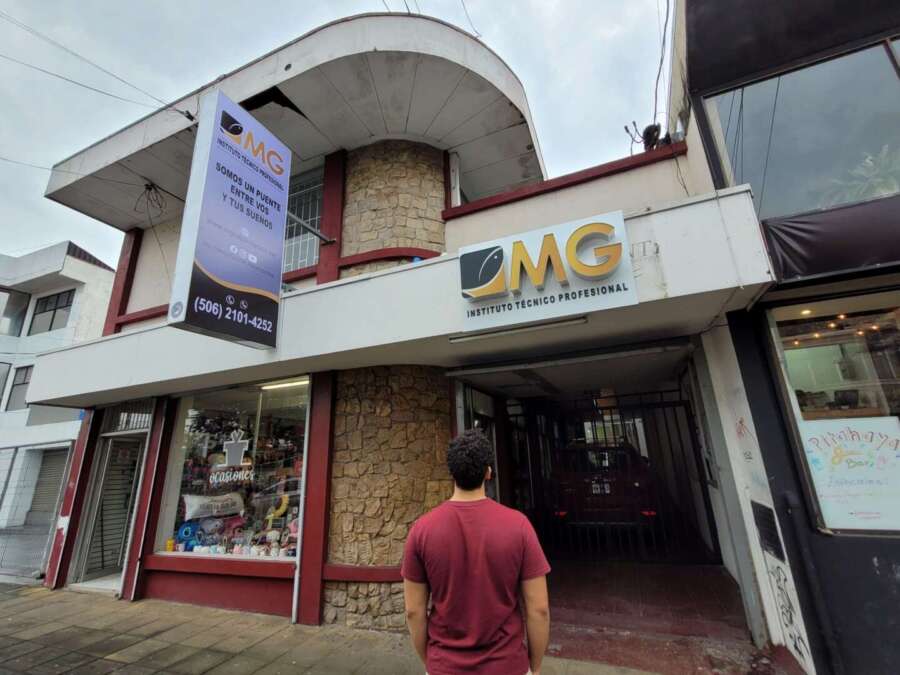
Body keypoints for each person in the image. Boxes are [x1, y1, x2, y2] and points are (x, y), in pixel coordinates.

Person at [402, 429, 551, 675]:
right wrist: (534, 667)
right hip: (508, 666)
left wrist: (432, 662)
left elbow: (413, 611)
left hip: (444, 667)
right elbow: (539, 610)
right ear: (488, 472)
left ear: (451, 473)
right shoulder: (519, 526)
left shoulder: (421, 530)